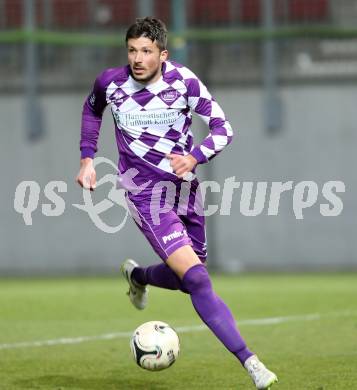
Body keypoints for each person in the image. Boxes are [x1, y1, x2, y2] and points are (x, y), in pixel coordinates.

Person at [76, 17, 278, 389]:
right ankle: (251, 362)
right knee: (199, 280)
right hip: (143, 192)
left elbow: (224, 128)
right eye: (133, 50)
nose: (138, 58)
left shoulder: (183, 82)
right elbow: (92, 110)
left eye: (147, 51)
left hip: (185, 190)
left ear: (162, 54)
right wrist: (87, 158)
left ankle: (137, 276)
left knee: (190, 279)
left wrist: (195, 156)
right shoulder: (110, 82)